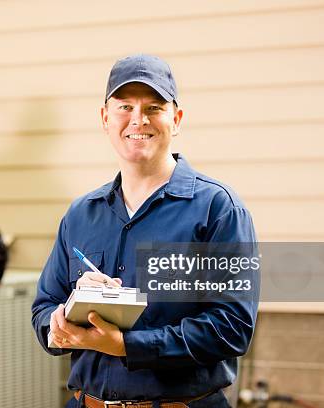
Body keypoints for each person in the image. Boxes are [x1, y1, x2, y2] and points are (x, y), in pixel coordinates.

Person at [31, 55, 259, 407]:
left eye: (154, 107)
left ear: (176, 119)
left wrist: (125, 346)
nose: (138, 119)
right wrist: (60, 322)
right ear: (105, 118)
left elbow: (231, 327)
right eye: (125, 106)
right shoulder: (80, 215)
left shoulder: (218, 209)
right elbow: (43, 308)